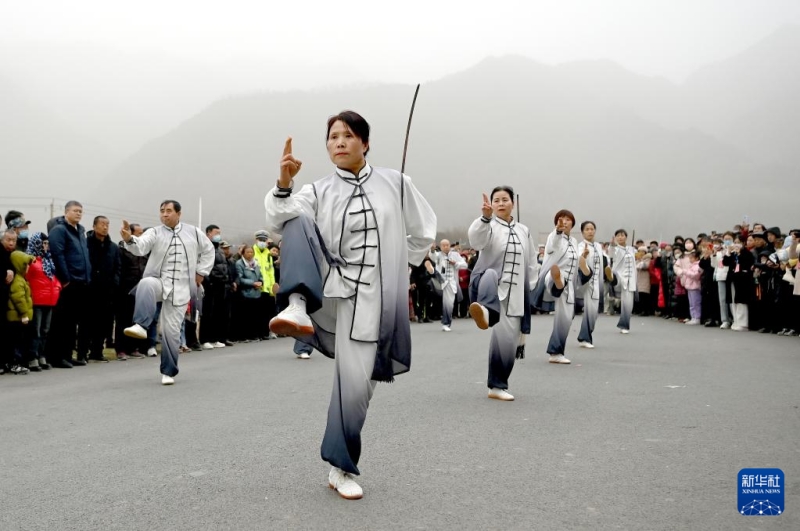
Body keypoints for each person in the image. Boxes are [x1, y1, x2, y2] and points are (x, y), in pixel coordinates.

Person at [264, 111, 436, 500]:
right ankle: (295, 305)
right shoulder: (318, 189)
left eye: (348, 135)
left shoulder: (397, 183)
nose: (339, 142)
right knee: (295, 220)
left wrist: (399, 264)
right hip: (328, 288)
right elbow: (277, 219)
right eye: (332, 137)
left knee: (359, 384)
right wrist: (284, 182)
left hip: (375, 297)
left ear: (365, 142)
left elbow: (424, 231)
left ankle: (337, 464)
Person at [119, 200, 215, 385]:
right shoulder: (154, 232)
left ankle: (168, 371)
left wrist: (201, 272)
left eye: (168, 211)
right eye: (162, 211)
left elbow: (209, 250)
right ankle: (141, 325)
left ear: (179, 213)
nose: (164, 214)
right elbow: (141, 246)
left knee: (171, 332)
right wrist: (129, 239)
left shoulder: (194, 232)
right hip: (160, 281)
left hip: (181, 288)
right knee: (146, 283)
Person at [467, 187, 537, 401]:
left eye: (504, 199)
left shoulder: (524, 230)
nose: (500, 203)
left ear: (512, 203)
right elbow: (475, 241)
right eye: (496, 200)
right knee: (489, 274)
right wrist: (485, 218)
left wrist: (530, 286)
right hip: (491, 286)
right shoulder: (489, 227)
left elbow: (532, 261)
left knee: (508, 340)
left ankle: (497, 386)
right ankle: (486, 312)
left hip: (515, 292)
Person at [531, 209, 590, 364]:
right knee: (557, 277)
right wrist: (557, 231)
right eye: (561, 219)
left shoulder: (574, 242)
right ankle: (557, 280)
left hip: (569, 284)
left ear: (573, 223)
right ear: (557, 222)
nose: (564, 221)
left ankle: (556, 351)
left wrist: (582, 258)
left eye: (568, 219)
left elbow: (573, 261)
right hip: (551, 278)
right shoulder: (553, 236)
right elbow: (552, 245)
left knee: (566, 318)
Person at [25, 233, 61, 371]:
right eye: (43, 243)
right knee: (36, 331)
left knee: (45, 331)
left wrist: (57, 288)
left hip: (49, 301)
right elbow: (26, 279)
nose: (46, 246)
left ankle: (41, 355)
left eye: (47, 243)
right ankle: (32, 357)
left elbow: (53, 278)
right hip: (37, 301)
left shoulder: (48, 260)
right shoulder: (31, 261)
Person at [576, 221, 611, 349]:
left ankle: (586, 336)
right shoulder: (580, 246)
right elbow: (578, 260)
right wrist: (583, 256)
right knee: (590, 310)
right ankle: (584, 338)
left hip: (597, 282)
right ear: (582, 232)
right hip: (587, 283)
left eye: (592, 229)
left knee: (594, 312)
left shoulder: (597, 246)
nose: (590, 231)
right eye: (587, 229)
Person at [432, 239, 466, 332]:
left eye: (447, 245)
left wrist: (455, 263)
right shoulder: (438, 255)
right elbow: (432, 256)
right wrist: (431, 249)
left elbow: (465, 265)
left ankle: (446, 322)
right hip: (441, 281)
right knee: (446, 303)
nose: (446, 247)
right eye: (443, 245)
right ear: (441, 246)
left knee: (449, 303)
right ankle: (445, 323)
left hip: (451, 282)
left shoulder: (455, 254)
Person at [610, 229, 637, 334]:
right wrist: (612, 245)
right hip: (619, 277)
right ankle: (611, 282)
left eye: (622, 235)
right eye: (618, 236)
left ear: (626, 237)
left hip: (630, 278)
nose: (620, 237)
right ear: (616, 238)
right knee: (619, 299)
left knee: (628, 303)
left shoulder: (631, 249)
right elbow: (611, 254)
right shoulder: (615, 249)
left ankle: (624, 324)